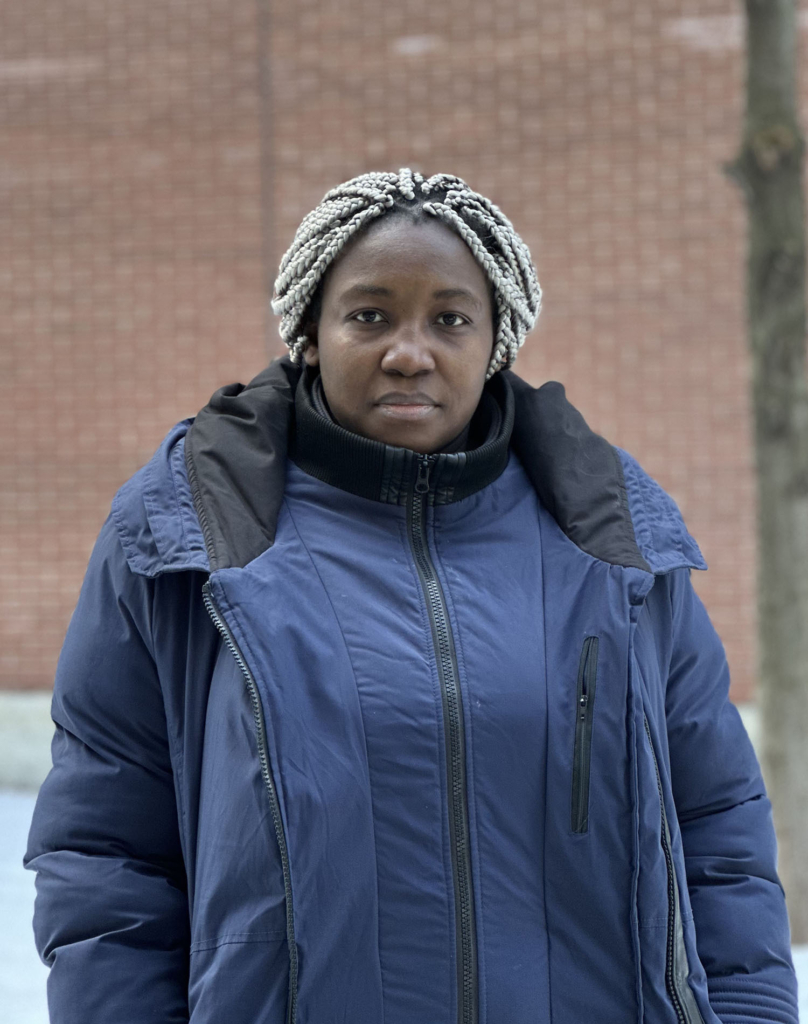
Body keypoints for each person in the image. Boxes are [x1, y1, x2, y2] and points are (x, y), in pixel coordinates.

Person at [25, 168, 797, 1024]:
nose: (409, 351)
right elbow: (107, 856)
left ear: (495, 339)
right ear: (310, 333)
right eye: (370, 315)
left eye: (450, 318)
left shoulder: (611, 540)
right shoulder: (190, 532)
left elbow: (717, 829)